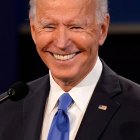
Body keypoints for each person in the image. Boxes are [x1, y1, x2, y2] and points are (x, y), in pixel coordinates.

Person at [0, 0, 140, 139]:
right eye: (49, 26)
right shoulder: (6, 109)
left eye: (76, 27)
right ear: (33, 30)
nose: (61, 43)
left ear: (102, 29)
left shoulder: (135, 109)